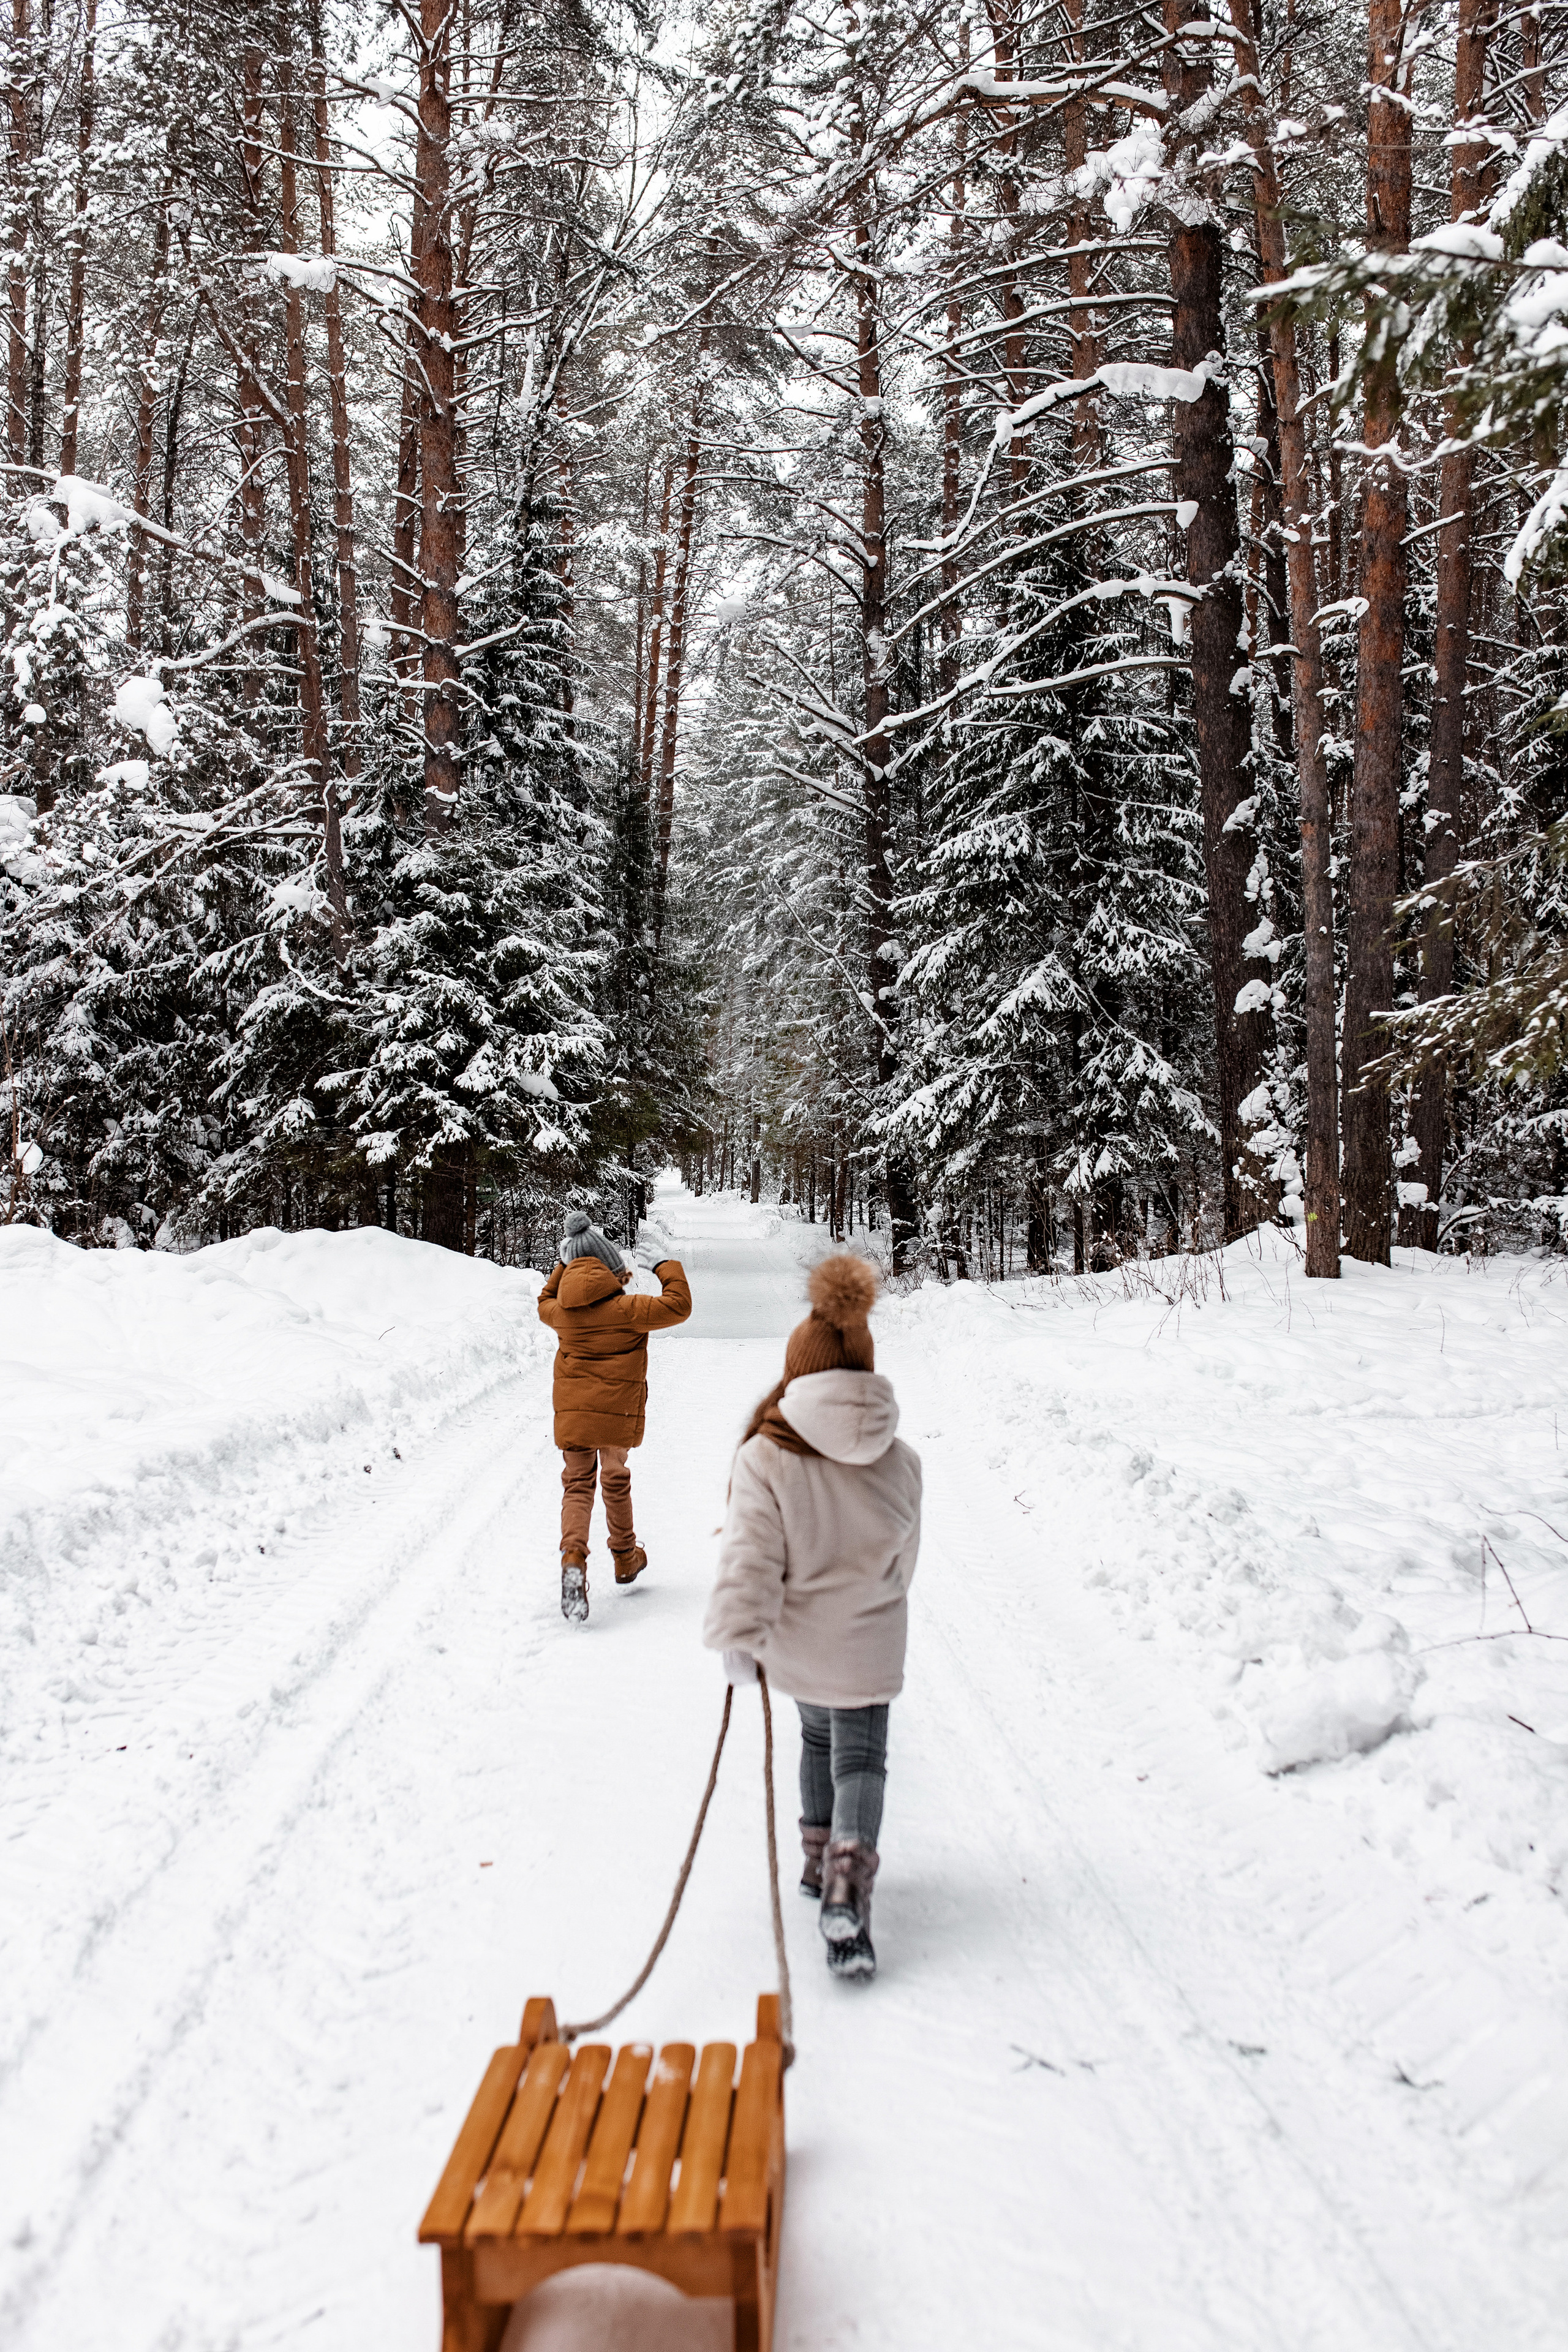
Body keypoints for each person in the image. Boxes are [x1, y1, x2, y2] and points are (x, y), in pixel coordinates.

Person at [703, 1254, 921, 1983]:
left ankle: (814, 1863)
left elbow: (751, 1557)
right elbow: (904, 1560)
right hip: (870, 1645)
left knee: (815, 1736)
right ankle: (846, 1880)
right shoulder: (904, 1462)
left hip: (798, 1645)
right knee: (861, 1758)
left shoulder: (767, 1457)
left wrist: (739, 1636)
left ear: (797, 1375)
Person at [537, 1209, 692, 1623]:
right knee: (615, 1478)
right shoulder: (630, 1310)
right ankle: (624, 1556)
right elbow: (679, 1306)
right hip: (615, 1415)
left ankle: (573, 1557)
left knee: (577, 1486)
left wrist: (564, 1264)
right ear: (611, 1268)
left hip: (574, 1417)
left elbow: (545, 1301)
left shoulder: (562, 1315)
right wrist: (663, 1266)